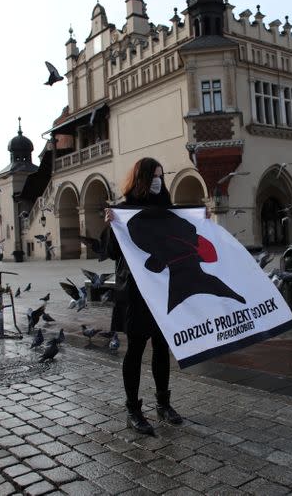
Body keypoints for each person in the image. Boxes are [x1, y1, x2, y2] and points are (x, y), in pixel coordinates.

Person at [103, 157, 183, 435]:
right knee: (135, 350)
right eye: (153, 177)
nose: (158, 181)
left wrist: (203, 220)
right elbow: (112, 252)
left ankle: (163, 404)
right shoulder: (124, 210)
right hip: (135, 292)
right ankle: (133, 410)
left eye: (161, 175)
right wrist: (112, 225)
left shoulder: (168, 210)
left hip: (162, 289)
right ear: (141, 179)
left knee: (162, 347)